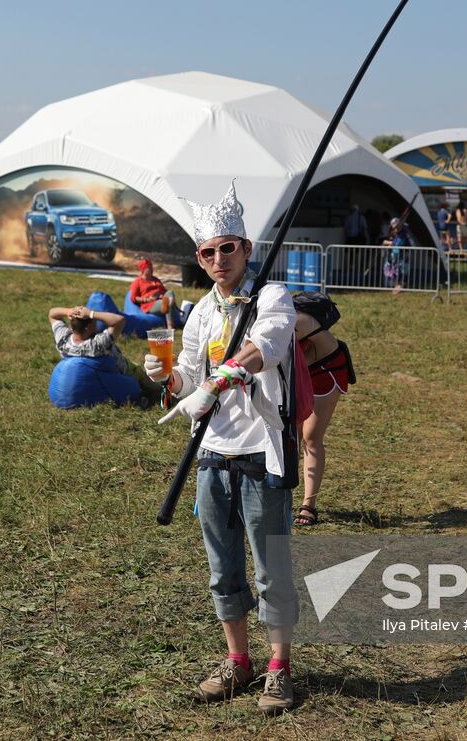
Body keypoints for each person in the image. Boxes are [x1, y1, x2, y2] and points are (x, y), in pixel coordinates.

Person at [143, 182, 299, 715]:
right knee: (222, 568)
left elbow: (269, 345)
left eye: (226, 248)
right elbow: (189, 374)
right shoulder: (201, 313)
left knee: (272, 567)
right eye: (207, 253)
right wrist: (169, 378)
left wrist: (222, 377)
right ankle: (238, 661)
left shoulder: (271, 296)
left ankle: (279, 668)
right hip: (211, 451)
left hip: (261, 450)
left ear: (246, 248)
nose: (218, 260)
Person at [292, 299, 354, 528]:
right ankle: (281, 493)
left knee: (311, 436)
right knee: (290, 434)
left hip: (326, 369)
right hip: (298, 369)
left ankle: (308, 504)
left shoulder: (297, 320)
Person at [47, 301, 159, 399]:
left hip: (86, 380)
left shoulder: (63, 340)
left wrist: (69, 311)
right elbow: (120, 320)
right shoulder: (97, 345)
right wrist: (91, 314)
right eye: (94, 322)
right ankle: (158, 392)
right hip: (121, 372)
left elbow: (52, 314)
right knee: (143, 376)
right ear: (88, 327)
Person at [128, 258, 178, 329]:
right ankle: (170, 326)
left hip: (161, 299)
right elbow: (133, 298)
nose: (152, 269)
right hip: (150, 304)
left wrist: (162, 295)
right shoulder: (137, 282)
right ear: (143, 270)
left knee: (170, 292)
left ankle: (169, 305)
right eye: (149, 268)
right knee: (166, 302)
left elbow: (165, 291)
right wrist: (147, 299)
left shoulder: (156, 280)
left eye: (152, 267)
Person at [382, 217, 410, 295]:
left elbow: (398, 243)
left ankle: (399, 286)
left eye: (396, 226)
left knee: (400, 271)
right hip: (394, 255)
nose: (394, 228)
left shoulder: (403, 233)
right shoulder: (395, 232)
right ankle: (397, 285)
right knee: (390, 270)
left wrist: (388, 243)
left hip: (401, 255)